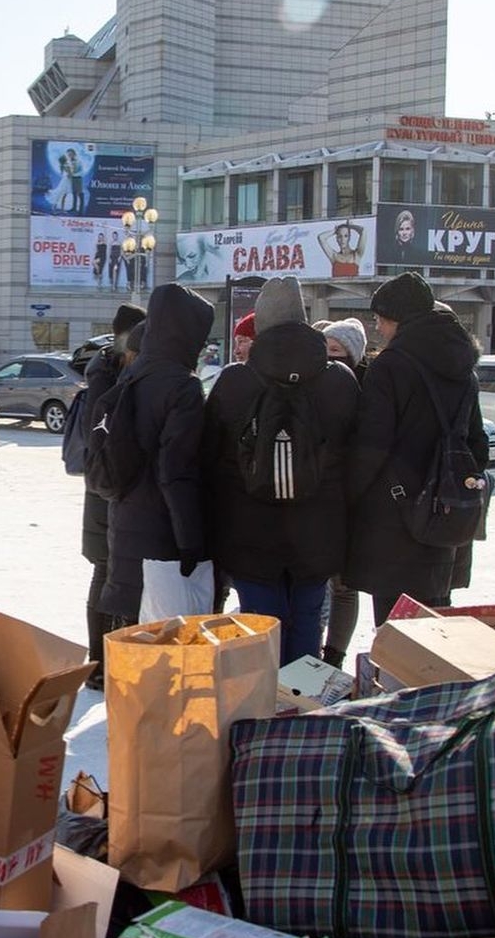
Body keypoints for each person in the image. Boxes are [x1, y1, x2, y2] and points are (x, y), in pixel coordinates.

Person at [202, 276, 359, 665]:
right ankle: (299, 704)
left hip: (248, 530)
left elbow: (209, 454)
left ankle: (261, 704)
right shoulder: (340, 380)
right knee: (307, 618)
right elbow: (357, 454)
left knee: (258, 624)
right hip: (319, 531)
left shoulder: (235, 380)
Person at [345, 272, 489, 626]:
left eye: (380, 319)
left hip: (396, 520)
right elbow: (478, 444)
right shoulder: (463, 368)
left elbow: (372, 446)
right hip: (448, 514)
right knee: (434, 626)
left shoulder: (391, 367)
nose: (378, 328)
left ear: (398, 317)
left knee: (395, 630)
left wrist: (347, 494)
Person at [104, 283, 216, 624]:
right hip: (162, 530)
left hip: (124, 520)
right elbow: (175, 471)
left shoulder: (132, 374)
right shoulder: (183, 385)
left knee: (132, 643)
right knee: (164, 648)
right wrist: (190, 542)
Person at [79, 303, 146, 690]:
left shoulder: (105, 369)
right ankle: (100, 661)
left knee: (106, 572)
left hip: (101, 486)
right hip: (106, 487)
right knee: (106, 571)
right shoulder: (110, 376)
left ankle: (101, 661)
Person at [318, 317, 369, 667]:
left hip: (350, 502)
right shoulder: (316, 384)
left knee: (344, 586)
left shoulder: (367, 391)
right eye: (324, 349)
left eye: (336, 351)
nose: (329, 357)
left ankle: (334, 655)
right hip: (320, 498)